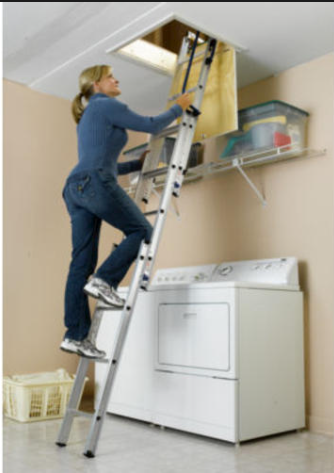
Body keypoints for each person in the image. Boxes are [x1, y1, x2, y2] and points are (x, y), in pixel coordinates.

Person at [60, 64, 192, 359]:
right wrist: (178, 108)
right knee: (142, 230)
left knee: (80, 264)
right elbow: (150, 124)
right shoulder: (106, 104)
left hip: (75, 188)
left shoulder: (88, 118)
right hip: (92, 182)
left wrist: (136, 164)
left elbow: (103, 162)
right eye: (109, 76)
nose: (116, 79)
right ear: (96, 85)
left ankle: (75, 335)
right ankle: (105, 280)